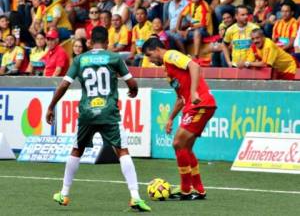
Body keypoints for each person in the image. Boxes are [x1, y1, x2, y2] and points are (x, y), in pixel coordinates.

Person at [47, 26, 151, 212]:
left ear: (89, 42)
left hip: (87, 112)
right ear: (107, 42)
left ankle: (64, 193)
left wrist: (51, 106)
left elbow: (64, 84)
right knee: (123, 152)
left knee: (76, 150)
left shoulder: (80, 59)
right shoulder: (114, 58)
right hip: (108, 112)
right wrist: (133, 91)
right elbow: (132, 83)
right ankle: (135, 196)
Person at [142, 37, 216, 200]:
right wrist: (170, 119)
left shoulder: (170, 55)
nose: (150, 61)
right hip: (194, 105)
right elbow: (181, 98)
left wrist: (194, 91)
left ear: (156, 50)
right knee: (185, 148)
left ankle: (186, 190)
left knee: (177, 143)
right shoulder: (168, 71)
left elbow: (194, 66)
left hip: (200, 103)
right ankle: (197, 189)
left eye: (149, 56)